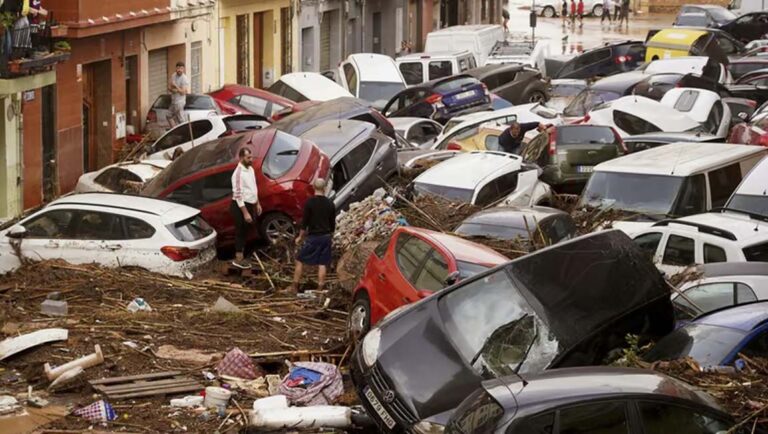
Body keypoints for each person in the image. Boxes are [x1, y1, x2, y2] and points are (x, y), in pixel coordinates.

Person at [288, 178, 336, 293]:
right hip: (326, 237)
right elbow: (332, 223)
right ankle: (320, 288)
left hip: (314, 238)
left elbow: (305, 224)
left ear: (313, 187)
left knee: (300, 260)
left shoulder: (310, 203)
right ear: (324, 188)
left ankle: (294, 286)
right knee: (322, 263)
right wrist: (331, 235)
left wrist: (300, 237)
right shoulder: (330, 203)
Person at [230, 148, 262, 269]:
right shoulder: (238, 174)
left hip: (250, 204)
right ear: (242, 158)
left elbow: (254, 187)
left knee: (249, 229)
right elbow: (238, 195)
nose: (251, 159)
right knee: (240, 231)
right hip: (240, 207)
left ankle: (246, 254)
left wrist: (257, 203)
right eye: (248, 158)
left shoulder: (250, 169)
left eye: (251, 157)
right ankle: (238, 259)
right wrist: (245, 213)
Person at [168, 61, 189, 128]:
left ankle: (184, 132)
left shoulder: (184, 78)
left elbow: (183, 92)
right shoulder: (173, 75)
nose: (179, 70)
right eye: (178, 68)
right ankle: (175, 130)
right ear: (176, 68)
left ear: (183, 69)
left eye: (181, 68)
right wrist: (172, 89)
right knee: (169, 116)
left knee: (180, 119)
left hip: (179, 102)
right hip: (173, 101)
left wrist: (176, 86)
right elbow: (169, 87)